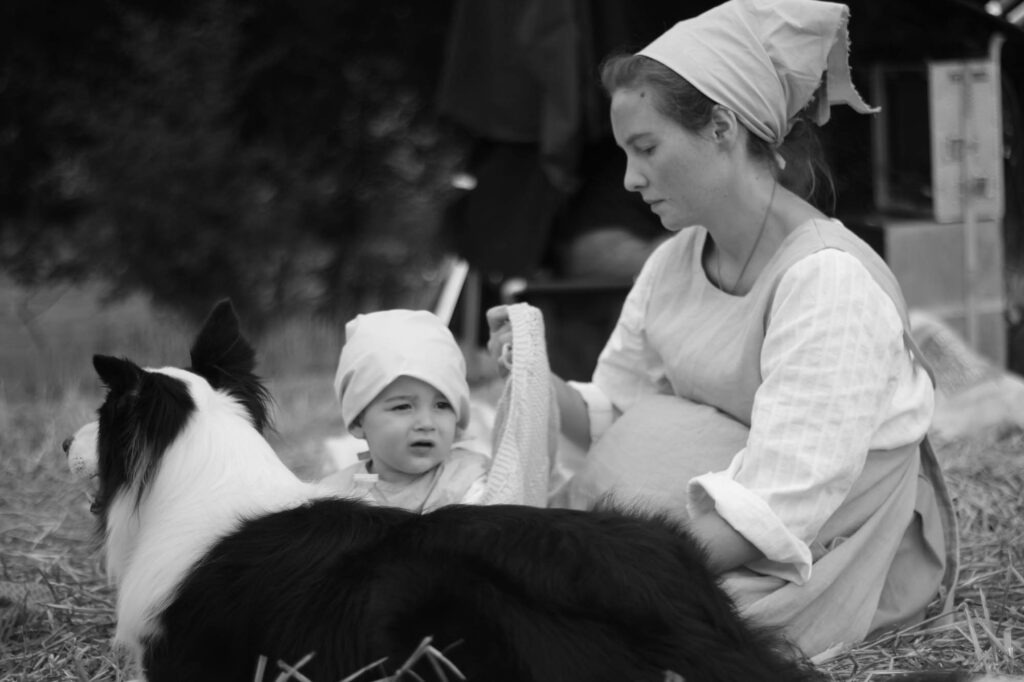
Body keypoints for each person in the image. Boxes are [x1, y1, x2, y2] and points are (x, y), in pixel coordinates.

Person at [485, 0, 959, 657]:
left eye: (646, 148)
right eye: (625, 152)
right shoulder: (676, 260)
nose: (629, 179)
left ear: (721, 128)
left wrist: (594, 577)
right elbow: (617, 412)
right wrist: (531, 370)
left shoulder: (827, 281)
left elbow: (781, 508)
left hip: (790, 569)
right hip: (664, 550)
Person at [321, 309, 490, 513]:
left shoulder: (471, 481)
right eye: (402, 407)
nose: (426, 423)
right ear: (358, 421)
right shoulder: (339, 494)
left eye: (442, 405)